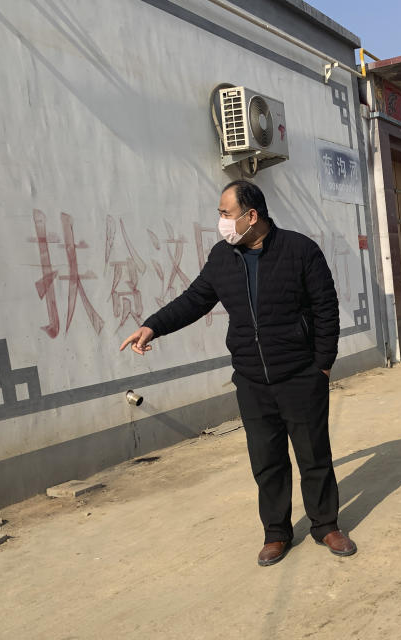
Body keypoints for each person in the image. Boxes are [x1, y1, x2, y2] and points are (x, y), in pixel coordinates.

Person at [120, 180, 356, 566]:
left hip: (300, 375)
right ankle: (276, 533)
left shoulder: (300, 251)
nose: (221, 222)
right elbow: (194, 299)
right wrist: (152, 326)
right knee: (267, 460)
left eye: (226, 214)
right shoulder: (222, 258)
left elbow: (326, 309)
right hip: (251, 379)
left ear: (252, 215)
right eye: (220, 214)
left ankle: (326, 525)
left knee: (314, 456)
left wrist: (322, 366)